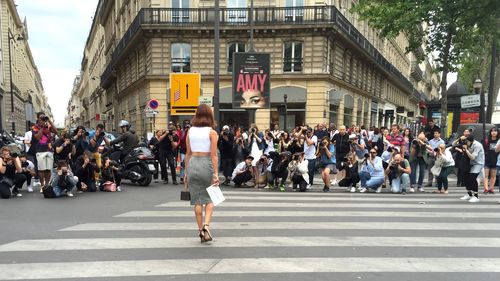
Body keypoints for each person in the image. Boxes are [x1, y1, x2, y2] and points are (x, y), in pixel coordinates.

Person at [184, 104, 219, 243]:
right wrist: (215, 173)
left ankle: (201, 232)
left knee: (197, 200)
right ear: (210, 115)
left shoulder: (190, 131)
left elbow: (187, 153)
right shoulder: (212, 132)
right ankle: (206, 225)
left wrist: (186, 172)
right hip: (206, 163)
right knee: (211, 197)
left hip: (193, 163)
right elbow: (214, 155)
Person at [32, 112, 58, 191]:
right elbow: (37, 137)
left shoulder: (48, 126)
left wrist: (49, 120)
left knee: (48, 169)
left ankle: (47, 185)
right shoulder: (35, 127)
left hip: (49, 149)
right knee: (41, 169)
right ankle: (42, 185)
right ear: (38, 118)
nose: (43, 120)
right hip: (40, 150)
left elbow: (56, 131)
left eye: (44, 118)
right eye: (41, 118)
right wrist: (42, 127)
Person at [459, 135, 485, 203]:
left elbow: (473, 157)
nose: (466, 143)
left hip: (478, 163)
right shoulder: (468, 144)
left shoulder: (477, 145)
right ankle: (469, 194)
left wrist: (466, 150)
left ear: (471, 141)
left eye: (466, 142)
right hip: (470, 164)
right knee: (465, 177)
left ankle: (476, 196)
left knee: (472, 178)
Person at [483, 128, 499, 194]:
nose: (494, 132)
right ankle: (486, 188)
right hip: (487, 160)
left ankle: (491, 188)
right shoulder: (487, 141)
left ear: (498, 132)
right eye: (492, 131)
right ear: (490, 132)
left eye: (495, 131)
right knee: (486, 175)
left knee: (493, 176)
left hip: (496, 160)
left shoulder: (499, 141)